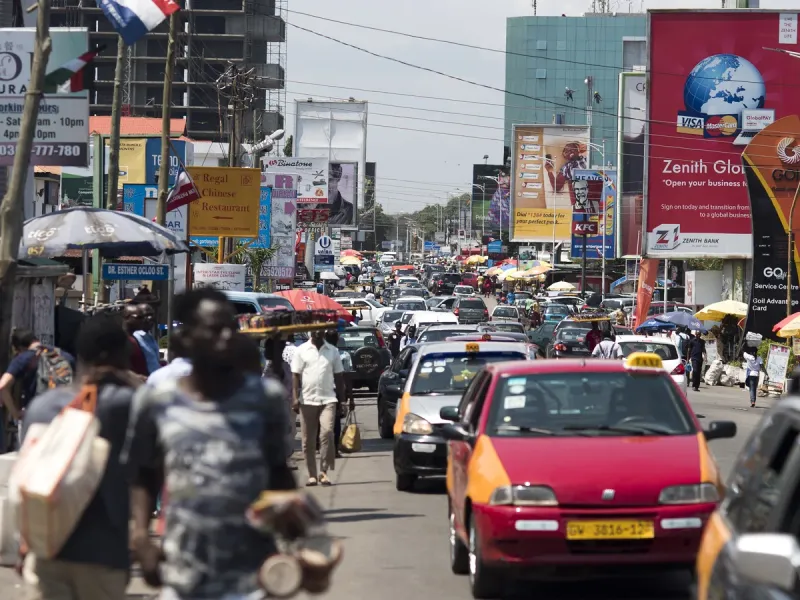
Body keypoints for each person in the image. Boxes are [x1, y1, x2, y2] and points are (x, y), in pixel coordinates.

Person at [124, 288, 297, 599]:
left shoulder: (263, 398)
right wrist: (140, 536)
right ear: (188, 336)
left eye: (230, 327)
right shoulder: (157, 401)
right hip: (183, 568)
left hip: (252, 570)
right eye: (214, 329)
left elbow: (278, 472)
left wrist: (301, 538)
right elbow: (144, 474)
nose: (226, 337)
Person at [20, 314, 141, 600]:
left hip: (45, 550)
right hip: (102, 555)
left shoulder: (41, 406)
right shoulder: (124, 405)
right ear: (113, 358)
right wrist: (130, 381)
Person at [0, 329, 75, 452]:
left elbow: (2, 386)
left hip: (35, 418)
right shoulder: (65, 356)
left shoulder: (24, 358)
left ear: (19, 348)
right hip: (63, 418)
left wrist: (15, 413)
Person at [291, 329, 346, 487]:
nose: (317, 332)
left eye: (320, 328)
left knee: (327, 433)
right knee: (308, 440)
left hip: (328, 399)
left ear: (324, 331)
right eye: (313, 329)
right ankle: (312, 475)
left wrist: (342, 401)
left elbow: (339, 377)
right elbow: (295, 375)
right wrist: (295, 398)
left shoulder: (333, 351)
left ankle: (323, 472)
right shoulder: (301, 350)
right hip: (307, 400)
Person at [325, 330, 354, 456]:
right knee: (335, 421)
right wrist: (350, 398)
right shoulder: (343, 355)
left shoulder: (321, 354)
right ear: (337, 340)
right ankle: (334, 449)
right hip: (336, 392)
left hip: (323, 391)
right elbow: (347, 377)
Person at [122, 305, 151, 377]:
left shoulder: (136, 339)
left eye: (143, 317)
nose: (143, 320)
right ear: (127, 317)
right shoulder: (122, 340)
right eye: (139, 317)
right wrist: (137, 377)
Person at [134, 304, 161, 374]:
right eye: (146, 315)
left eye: (152, 315)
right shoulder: (135, 338)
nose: (150, 318)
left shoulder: (150, 337)